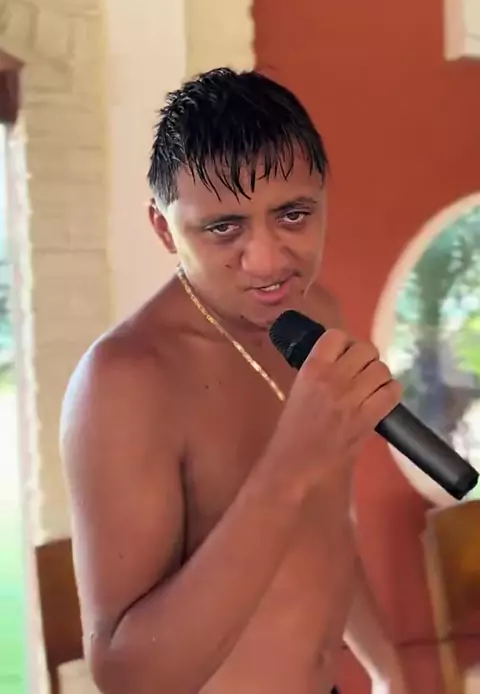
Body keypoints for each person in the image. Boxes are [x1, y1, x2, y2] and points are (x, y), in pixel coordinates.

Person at [60, 68, 410, 694]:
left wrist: (386, 668)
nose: (268, 261)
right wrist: (291, 462)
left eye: (293, 215)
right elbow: (128, 676)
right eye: (224, 227)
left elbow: (322, 527)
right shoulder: (126, 380)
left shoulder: (315, 317)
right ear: (164, 229)